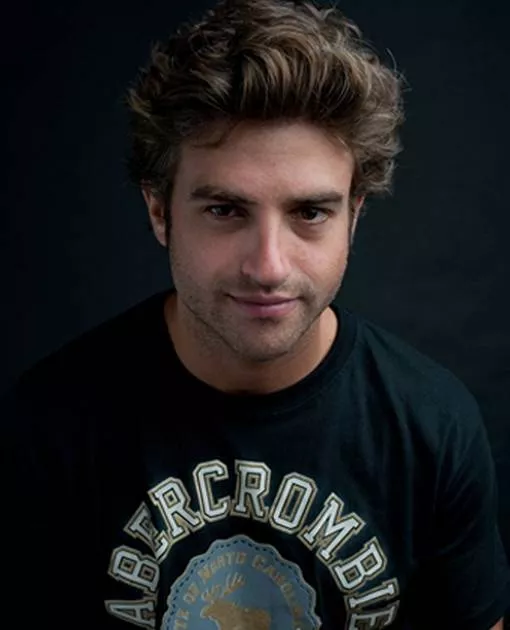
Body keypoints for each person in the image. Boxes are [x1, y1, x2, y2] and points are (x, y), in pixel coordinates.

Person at [2, 0, 509, 628]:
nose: (268, 266)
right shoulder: (50, 424)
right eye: (225, 211)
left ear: (354, 215)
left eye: (310, 213)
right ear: (159, 211)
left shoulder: (432, 426)